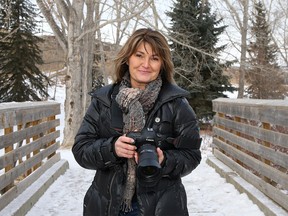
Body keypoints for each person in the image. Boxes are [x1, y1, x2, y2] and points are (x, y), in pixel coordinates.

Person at [72, 28, 202, 216]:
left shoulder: (176, 104)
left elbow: (192, 155)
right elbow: (81, 149)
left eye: (154, 58)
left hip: (162, 206)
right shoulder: (104, 100)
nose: (146, 64)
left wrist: (164, 160)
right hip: (109, 206)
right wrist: (112, 148)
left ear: (162, 65)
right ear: (127, 58)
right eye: (139, 55)